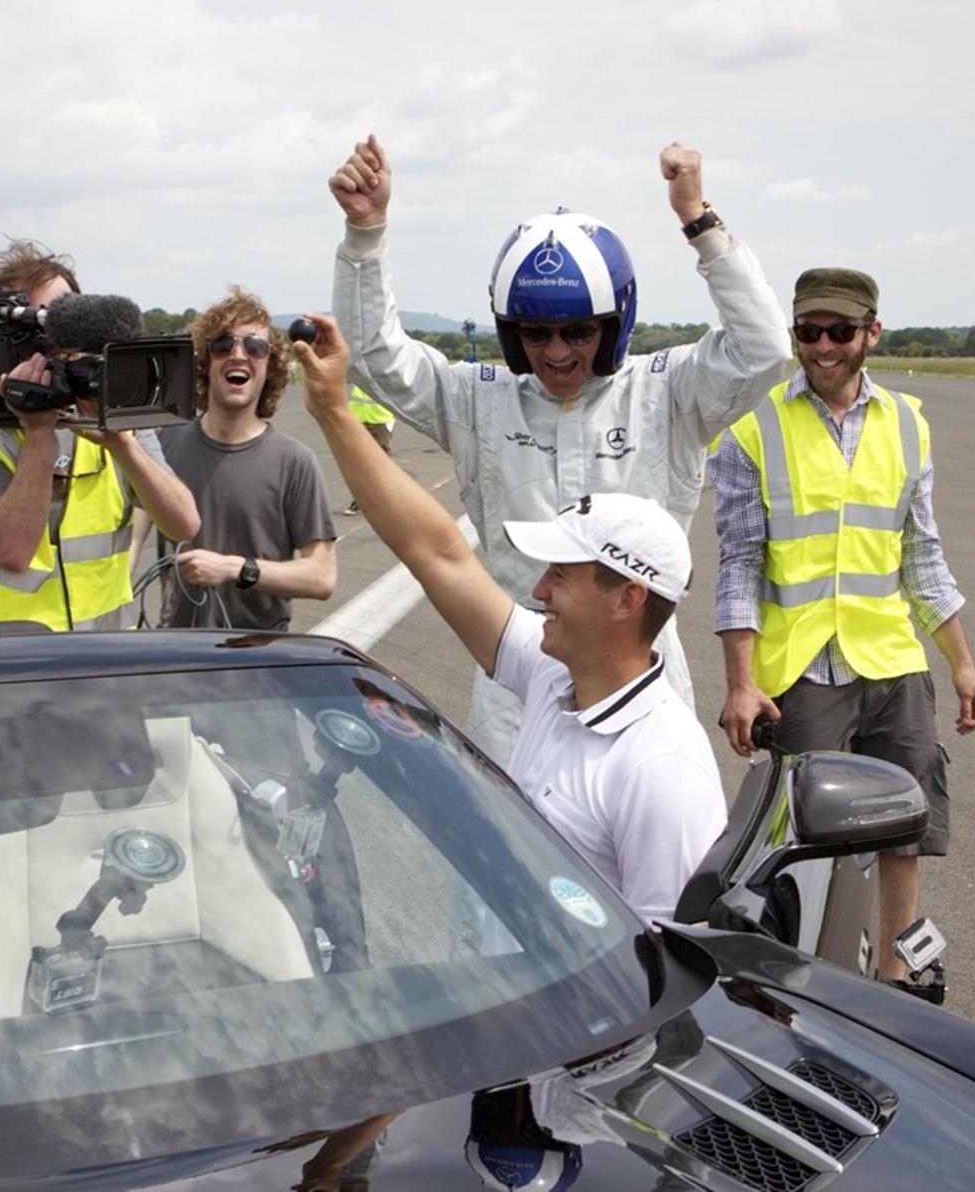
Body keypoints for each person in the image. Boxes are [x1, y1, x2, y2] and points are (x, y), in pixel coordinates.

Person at [328, 135, 790, 761]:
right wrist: (365, 233)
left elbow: (765, 348)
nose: (556, 351)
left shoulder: (669, 392)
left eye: (578, 330)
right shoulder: (480, 399)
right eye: (536, 332)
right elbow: (378, 359)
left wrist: (698, 220)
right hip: (521, 676)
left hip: (643, 675)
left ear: (615, 321)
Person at [295, 312, 724, 921]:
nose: (539, 588)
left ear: (627, 599)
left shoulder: (661, 769)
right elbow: (437, 554)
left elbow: (673, 961)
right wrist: (333, 412)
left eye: (562, 574)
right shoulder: (556, 681)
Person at [713, 267, 975, 985]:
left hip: (890, 658)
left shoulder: (906, 424)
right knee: (806, 842)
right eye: (810, 332)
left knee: (906, 822)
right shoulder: (753, 429)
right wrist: (740, 683)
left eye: (840, 331)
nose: (824, 347)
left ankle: (895, 977)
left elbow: (921, 553)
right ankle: (810, 982)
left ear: (872, 331)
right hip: (802, 669)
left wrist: (960, 662)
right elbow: (739, 566)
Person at [0, 240, 199, 636]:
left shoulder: (116, 420)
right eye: (45, 333)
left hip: (99, 661)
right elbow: (14, 552)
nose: (64, 352)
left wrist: (121, 442)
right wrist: (39, 433)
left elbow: (183, 524)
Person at [156, 287, 336, 631]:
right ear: (206, 363)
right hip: (174, 650)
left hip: (256, 660)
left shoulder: (295, 462)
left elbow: (322, 576)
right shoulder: (166, 443)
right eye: (223, 345)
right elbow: (132, 539)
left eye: (255, 347)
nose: (238, 354)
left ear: (270, 368)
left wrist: (235, 569)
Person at [341, 382, 393, 515]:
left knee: (380, 466)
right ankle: (360, 501)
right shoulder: (360, 368)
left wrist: (389, 423)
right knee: (359, 465)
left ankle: (388, 500)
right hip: (360, 420)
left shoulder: (383, 370)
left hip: (380, 422)